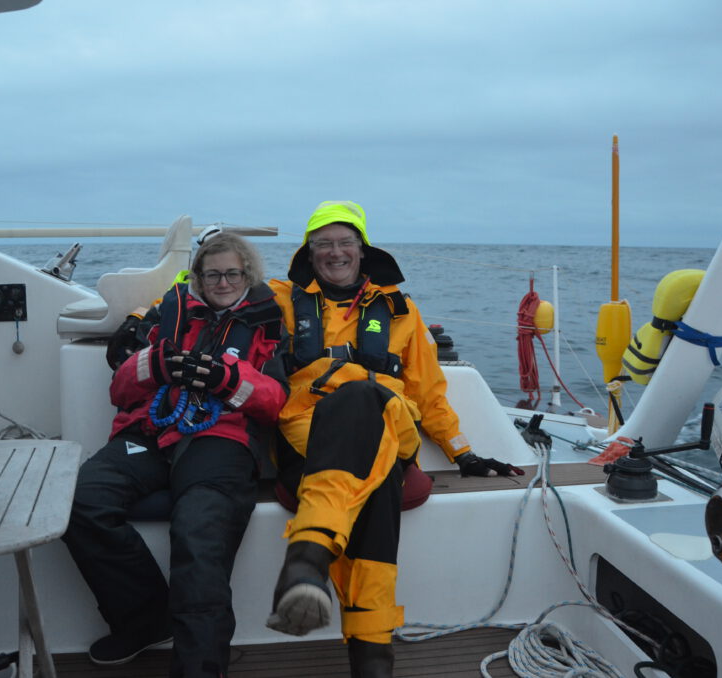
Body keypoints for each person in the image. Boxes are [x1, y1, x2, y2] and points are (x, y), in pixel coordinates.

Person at [264, 201, 523, 677]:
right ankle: (372, 656)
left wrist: (462, 452)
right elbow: (209, 289)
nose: (335, 252)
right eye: (323, 243)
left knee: (362, 396)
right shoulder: (280, 299)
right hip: (311, 437)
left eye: (345, 243)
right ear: (309, 252)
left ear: (363, 251)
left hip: (390, 424)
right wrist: (145, 315)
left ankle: (308, 557)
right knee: (376, 487)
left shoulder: (400, 310)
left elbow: (429, 392)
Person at [63, 232, 287, 677]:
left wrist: (228, 378)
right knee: (80, 501)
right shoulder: (169, 316)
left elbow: (275, 401)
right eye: (213, 274)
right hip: (150, 431)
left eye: (232, 274)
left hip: (220, 439)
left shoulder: (267, 325)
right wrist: (154, 365)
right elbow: (119, 390)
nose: (222, 282)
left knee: (198, 535)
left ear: (248, 275)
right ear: (199, 278)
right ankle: (146, 618)